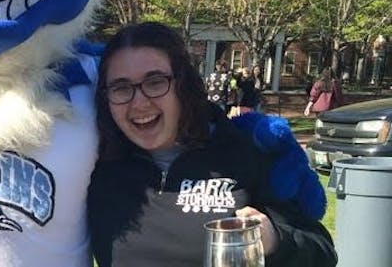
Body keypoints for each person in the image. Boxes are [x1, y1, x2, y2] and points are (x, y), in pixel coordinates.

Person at [88, 22, 337, 267]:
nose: (139, 102)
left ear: (182, 85)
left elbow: (321, 251)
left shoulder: (242, 152)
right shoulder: (92, 167)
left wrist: (274, 240)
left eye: (155, 82)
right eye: (121, 87)